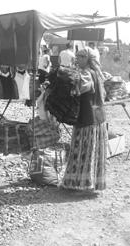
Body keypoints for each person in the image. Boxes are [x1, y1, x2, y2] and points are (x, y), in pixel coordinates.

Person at [60, 47, 107, 191]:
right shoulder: (96, 74)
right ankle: (86, 183)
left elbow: (79, 88)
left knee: (83, 150)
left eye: (81, 56)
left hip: (87, 119)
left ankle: (81, 184)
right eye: (77, 55)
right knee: (90, 150)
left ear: (88, 59)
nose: (77, 58)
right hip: (96, 118)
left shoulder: (87, 73)